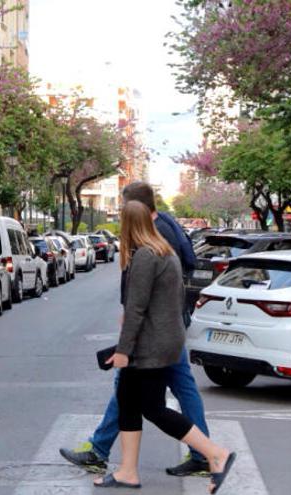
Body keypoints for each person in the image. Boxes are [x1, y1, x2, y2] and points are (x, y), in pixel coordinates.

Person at [60, 181, 211, 478]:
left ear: (136, 210)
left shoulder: (152, 241)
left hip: (156, 333)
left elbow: (146, 300)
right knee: (152, 391)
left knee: (142, 397)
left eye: (123, 208)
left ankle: (208, 454)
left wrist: (126, 344)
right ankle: (112, 456)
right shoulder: (163, 230)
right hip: (165, 329)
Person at [93, 201, 235, 491]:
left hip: (149, 347)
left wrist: (123, 351)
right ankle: (128, 472)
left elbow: (136, 310)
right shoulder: (165, 252)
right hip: (165, 341)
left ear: (128, 225)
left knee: (153, 408)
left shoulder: (145, 256)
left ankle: (214, 454)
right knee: (129, 403)